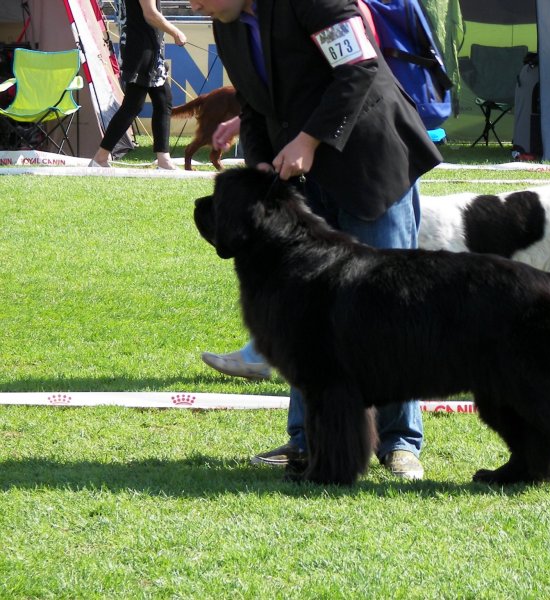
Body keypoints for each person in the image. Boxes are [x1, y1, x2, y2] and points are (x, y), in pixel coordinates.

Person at [189, 0, 443, 480]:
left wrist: (309, 139)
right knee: (302, 315)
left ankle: (400, 444)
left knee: (387, 308)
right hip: (305, 184)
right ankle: (308, 439)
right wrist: (262, 166)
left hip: (371, 164)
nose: (193, 5)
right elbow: (252, 105)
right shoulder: (225, 28)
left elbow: (359, 67)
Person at [90, 0, 187, 169]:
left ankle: (163, 160)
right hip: (140, 47)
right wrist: (175, 32)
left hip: (146, 45)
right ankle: (100, 158)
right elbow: (150, 13)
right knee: (133, 105)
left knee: (163, 100)